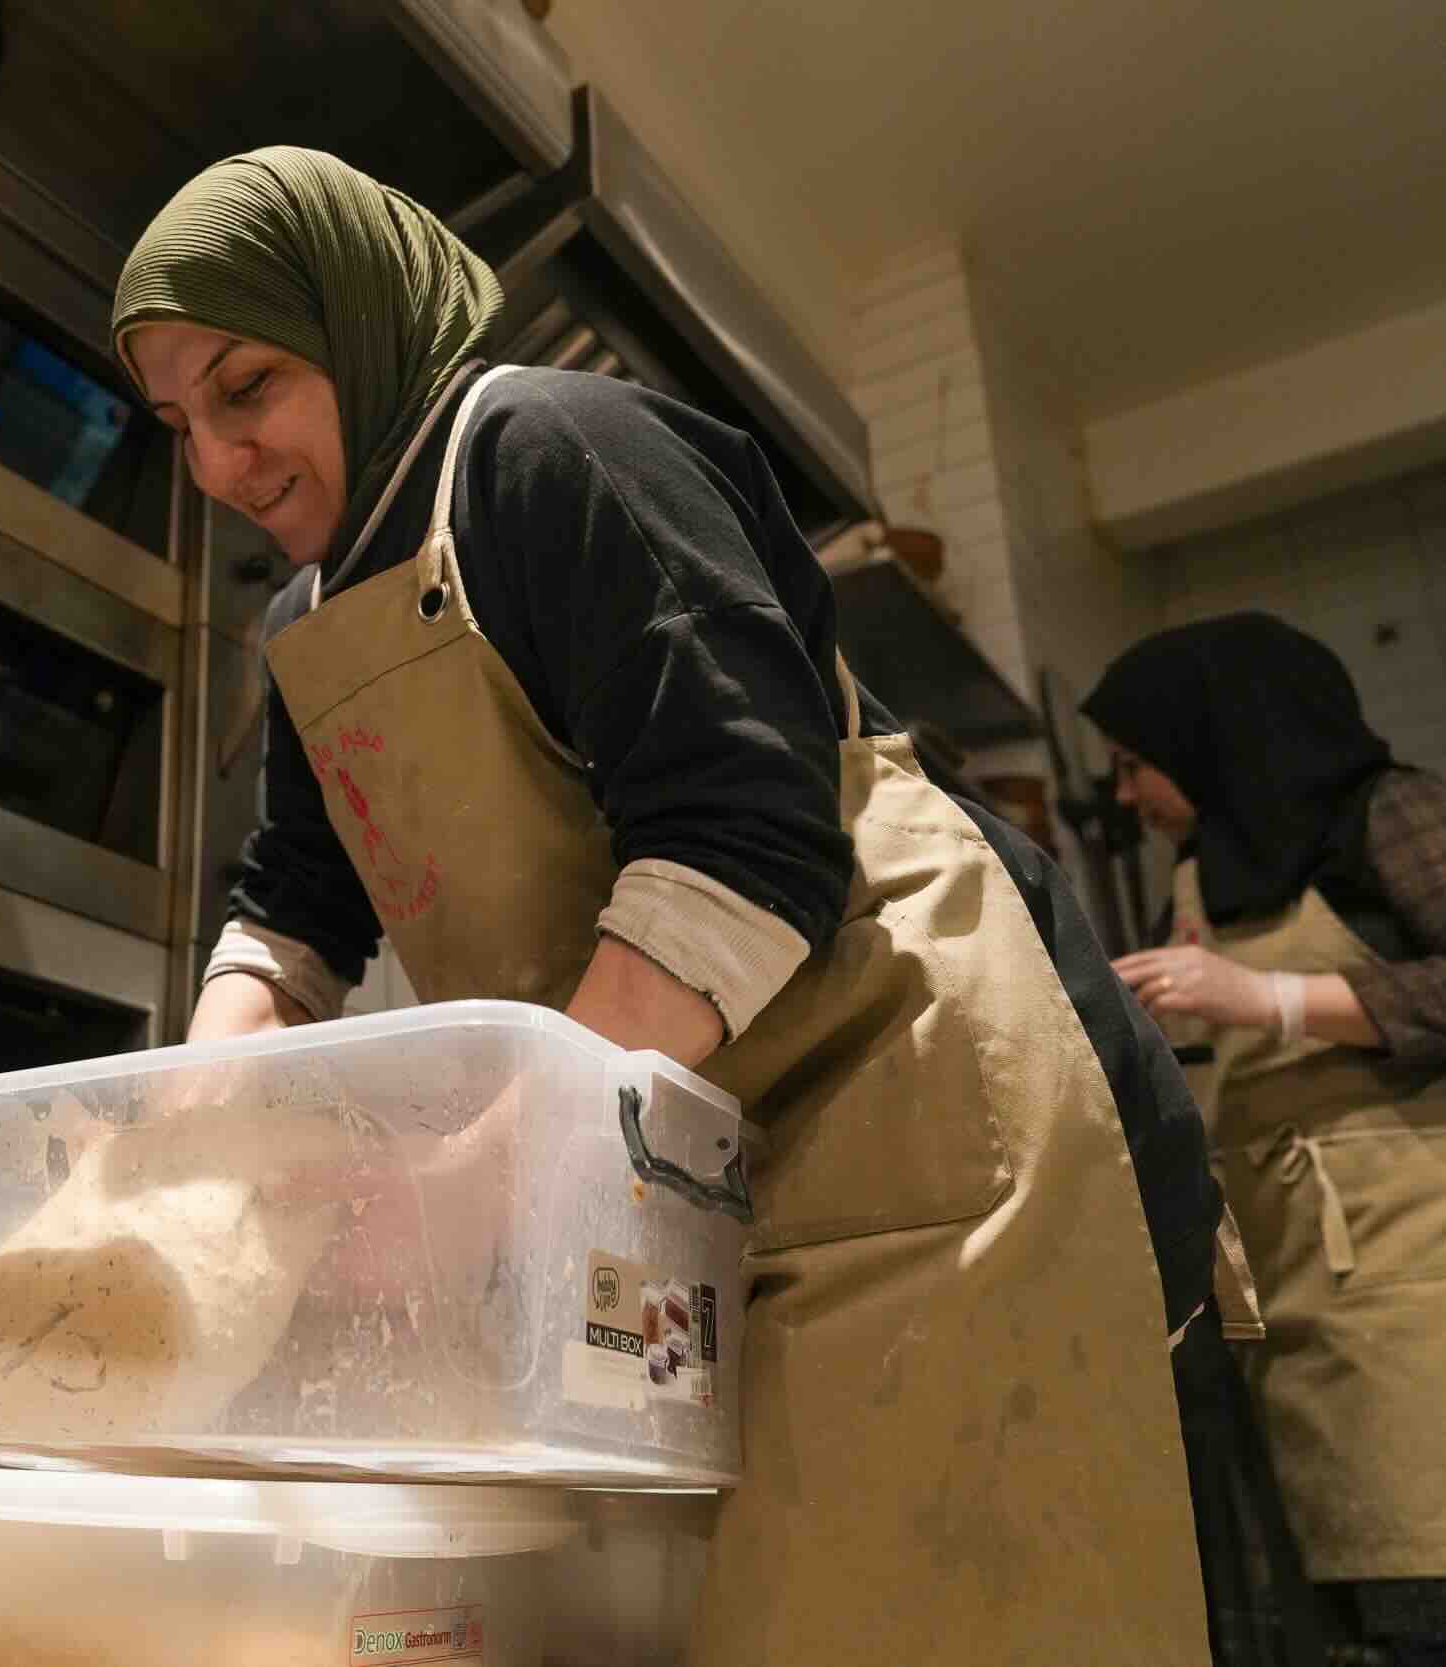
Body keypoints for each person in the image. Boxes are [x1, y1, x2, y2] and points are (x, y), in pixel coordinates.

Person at [115, 146, 1231, 1666]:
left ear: (359, 318)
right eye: (180, 422)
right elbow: (296, 910)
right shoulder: (307, 626)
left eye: (247, 387)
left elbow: (742, 828)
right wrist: (195, 1104)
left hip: (912, 1103)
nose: (220, 464)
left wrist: (485, 1168)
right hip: (701, 1154)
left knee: (1014, 1578)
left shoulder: (542, 449)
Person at [1089, 613, 1446, 1667]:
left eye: (1134, 763)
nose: (1125, 796)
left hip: (1414, 1288)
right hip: (1290, 1295)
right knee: (1350, 1599)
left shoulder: (1388, 813)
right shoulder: (1202, 878)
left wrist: (1271, 994)